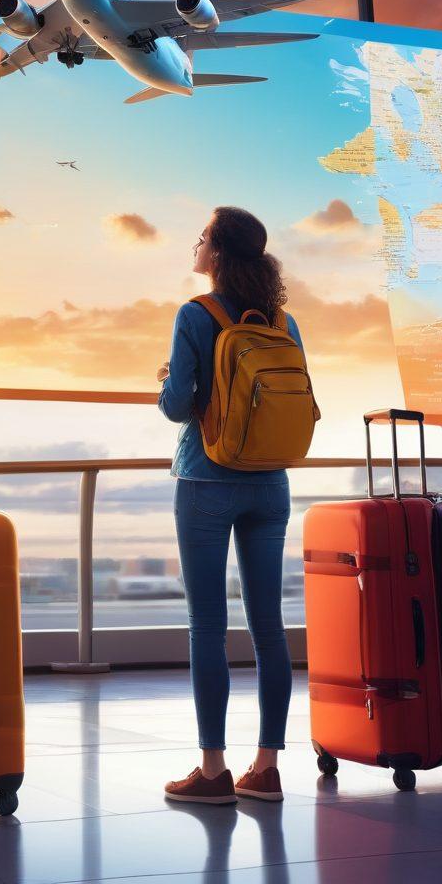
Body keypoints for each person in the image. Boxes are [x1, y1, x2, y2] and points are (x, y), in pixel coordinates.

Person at [159, 206, 304, 806]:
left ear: (216, 254)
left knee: (207, 626)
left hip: (207, 481)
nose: (194, 245)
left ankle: (214, 770)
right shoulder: (282, 321)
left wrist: (168, 379)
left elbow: (177, 405)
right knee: (269, 628)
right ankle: (267, 768)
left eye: (201, 237)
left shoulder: (196, 314)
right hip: (271, 484)